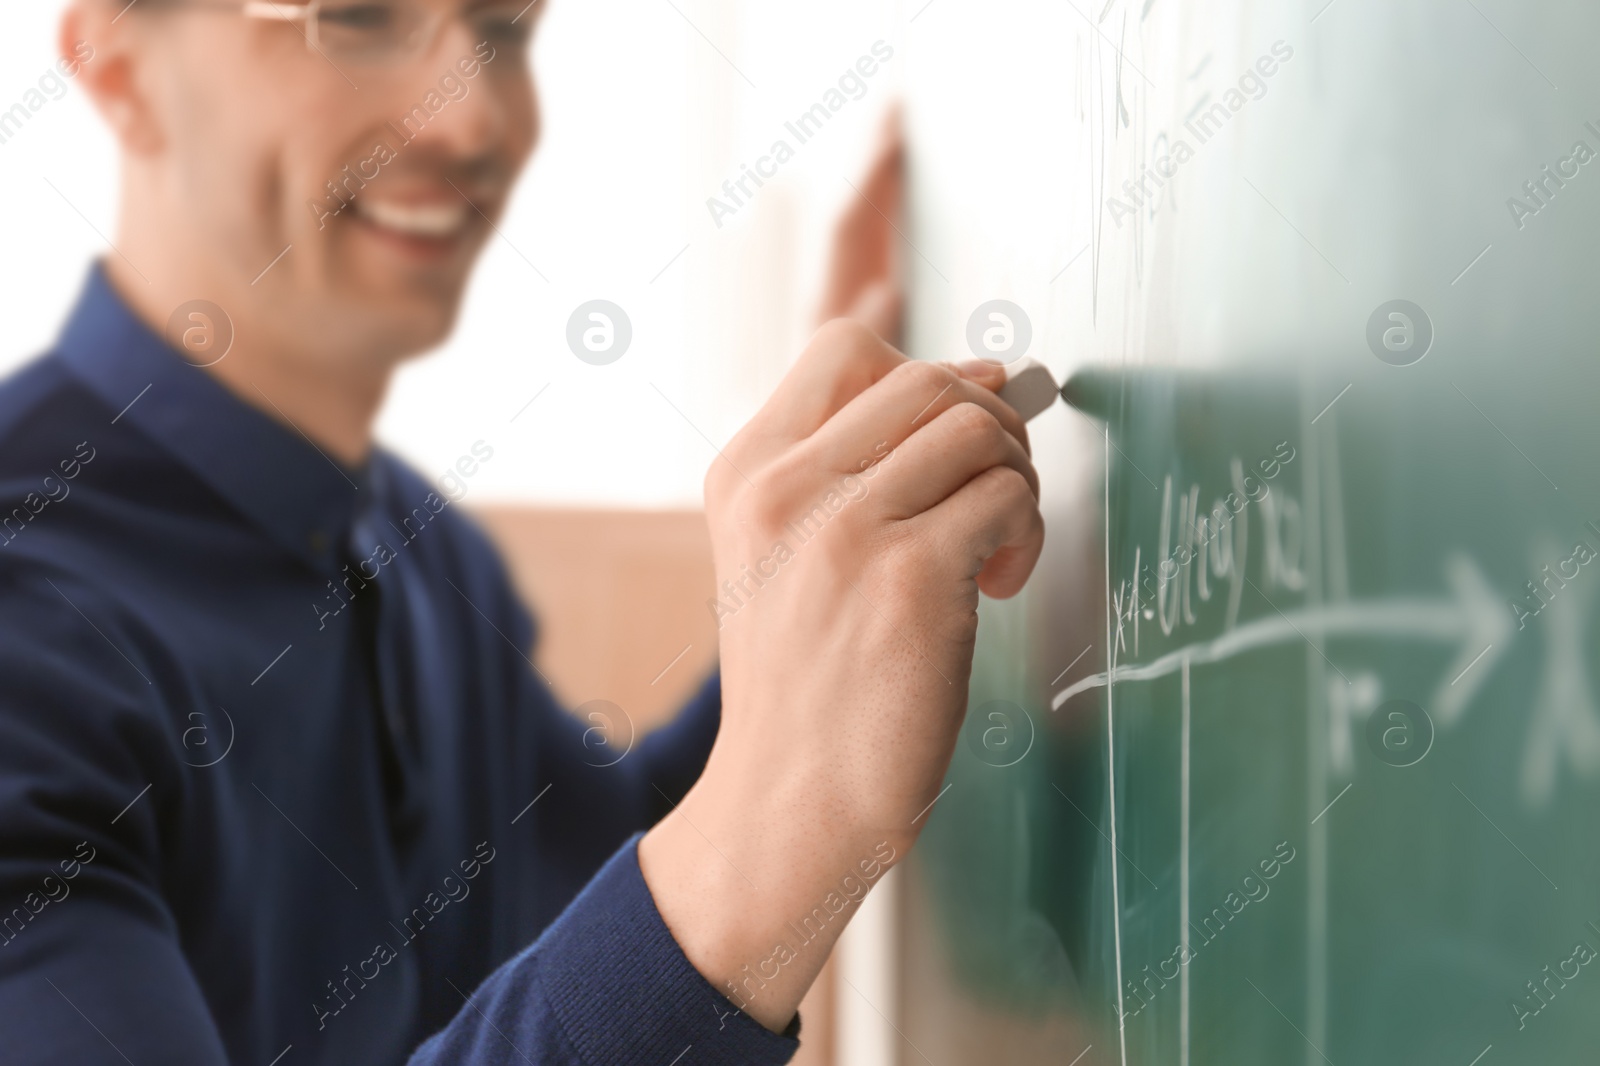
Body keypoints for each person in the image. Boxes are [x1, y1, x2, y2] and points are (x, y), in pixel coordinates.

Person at [0, 1, 1044, 1062]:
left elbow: (605, 854)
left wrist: (835, 540)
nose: (476, 121)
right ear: (121, 67)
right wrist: (773, 832)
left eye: (502, 26)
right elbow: (710, 867)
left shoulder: (404, 538)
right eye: (357, 19)